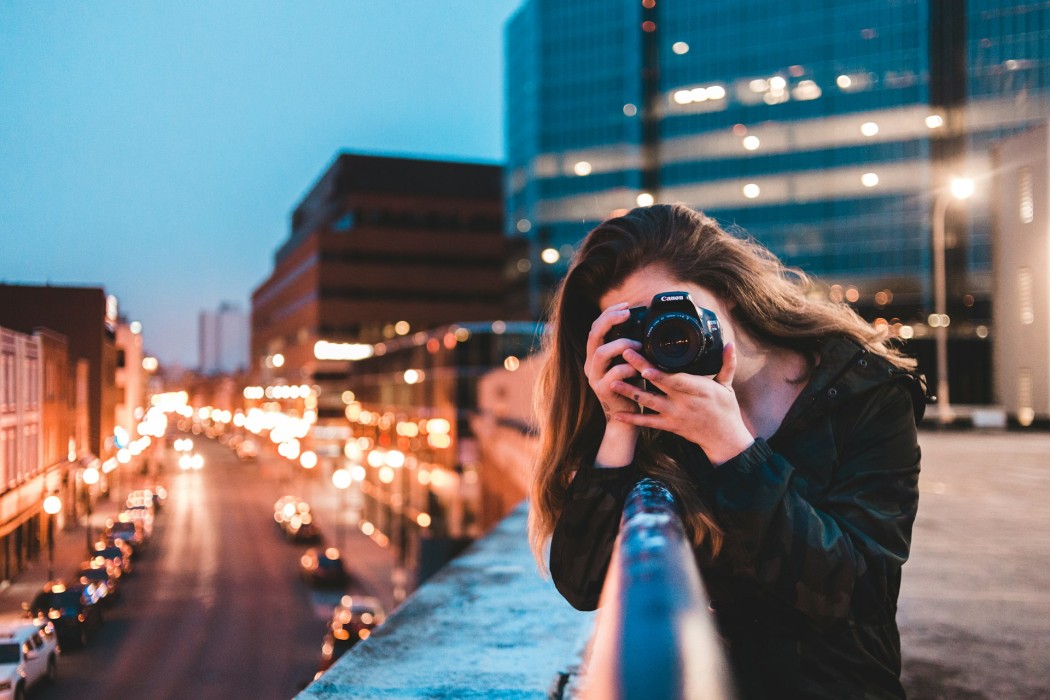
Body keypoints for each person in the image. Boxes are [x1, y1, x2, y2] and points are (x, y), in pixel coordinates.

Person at [530, 204, 925, 698]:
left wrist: (731, 446)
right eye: (639, 324)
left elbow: (859, 590)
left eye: (676, 312)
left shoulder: (864, 392)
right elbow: (584, 585)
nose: (665, 336)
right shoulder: (649, 408)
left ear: (732, 292)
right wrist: (618, 423)